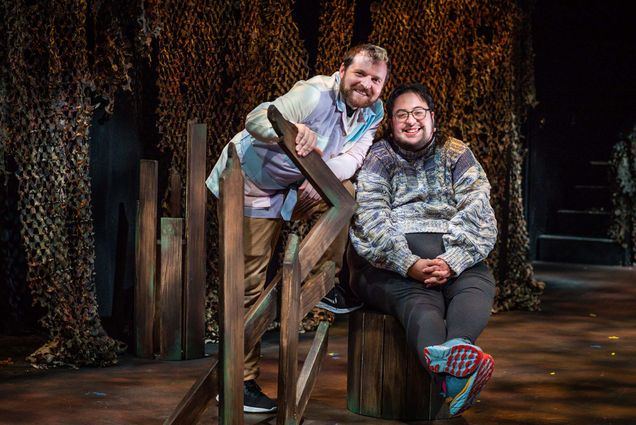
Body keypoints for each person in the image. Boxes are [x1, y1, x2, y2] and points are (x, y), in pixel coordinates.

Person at [206, 44, 390, 413]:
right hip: (253, 185)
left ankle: (325, 283)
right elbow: (256, 118)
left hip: (296, 189)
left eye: (376, 80)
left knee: (347, 195)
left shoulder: (374, 112)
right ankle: (239, 384)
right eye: (360, 74)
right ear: (342, 71)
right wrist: (290, 131)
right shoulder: (313, 93)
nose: (367, 85)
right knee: (250, 285)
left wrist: (317, 177)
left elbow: (353, 158)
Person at [348, 83, 498, 416]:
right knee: (420, 301)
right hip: (393, 263)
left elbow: (477, 207)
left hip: (452, 249)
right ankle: (455, 377)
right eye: (401, 114)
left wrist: (453, 260)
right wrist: (408, 263)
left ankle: (456, 351)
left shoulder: (456, 152)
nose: (410, 121)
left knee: (476, 283)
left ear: (432, 117)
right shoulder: (379, 157)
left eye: (418, 112)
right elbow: (370, 216)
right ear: (391, 121)